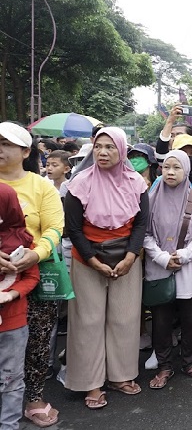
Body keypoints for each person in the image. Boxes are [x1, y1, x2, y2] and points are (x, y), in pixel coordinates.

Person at [64, 127, 148, 410]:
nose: (102, 152)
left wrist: (131, 256)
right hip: (87, 259)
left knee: (125, 318)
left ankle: (120, 376)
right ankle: (91, 382)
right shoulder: (80, 183)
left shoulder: (136, 183)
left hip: (126, 258)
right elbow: (73, 229)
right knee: (88, 321)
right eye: (98, 146)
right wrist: (92, 260)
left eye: (110, 147)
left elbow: (141, 224)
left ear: (122, 150)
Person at [0, 122, 64, 428]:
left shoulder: (41, 186)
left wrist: (35, 254)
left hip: (35, 274)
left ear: (26, 151)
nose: (0, 149)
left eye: (6, 144)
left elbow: (54, 228)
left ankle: (34, 397)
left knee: (37, 341)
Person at [143, 150, 192, 389]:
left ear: (186, 170)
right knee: (161, 320)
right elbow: (144, 233)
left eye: (176, 167)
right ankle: (164, 366)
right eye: (166, 167)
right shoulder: (151, 198)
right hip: (159, 267)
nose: (170, 172)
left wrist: (185, 255)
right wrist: (162, 257)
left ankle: (190, 361)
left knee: (190, 319)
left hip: (189, 266)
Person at [0, 183, 41, 430]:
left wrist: (13, 294)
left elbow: (32, 277)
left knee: (12, 378)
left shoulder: (22, 243)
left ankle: (9, 425)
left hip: (13, 322)